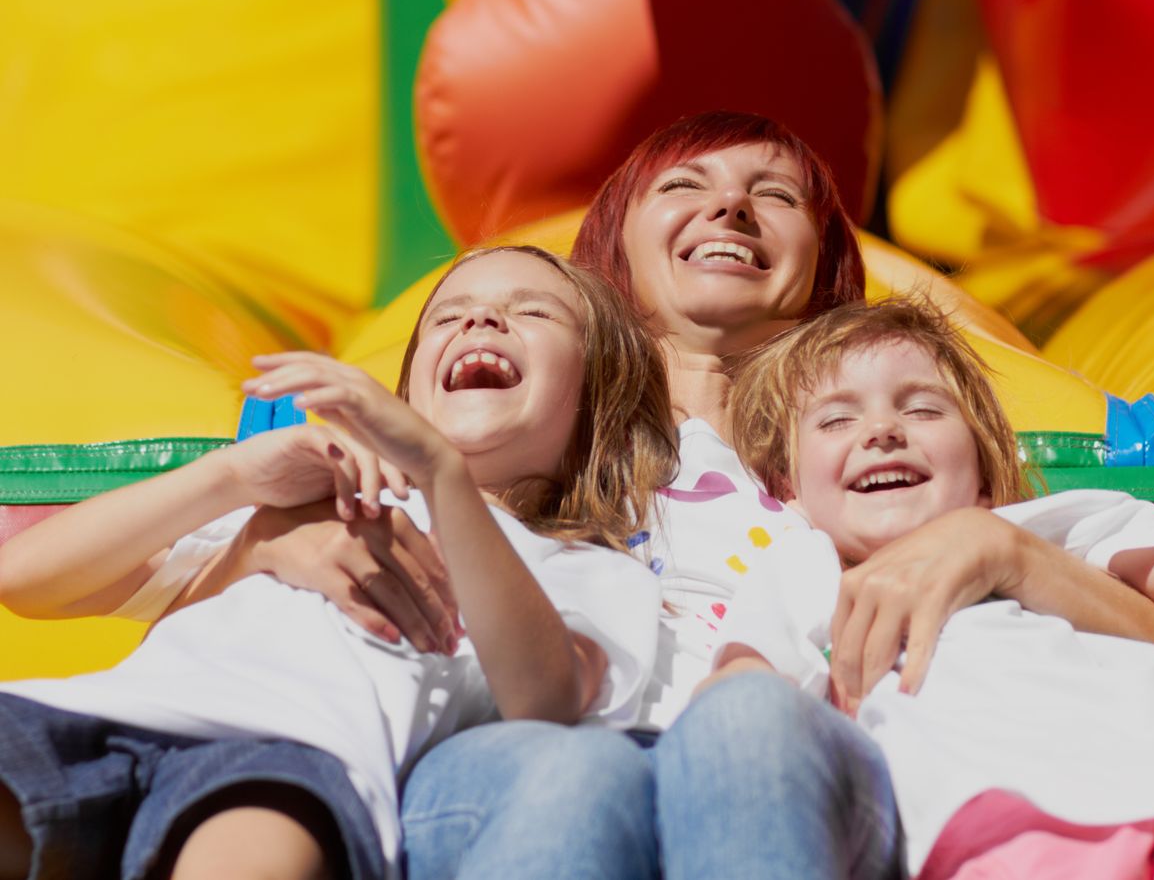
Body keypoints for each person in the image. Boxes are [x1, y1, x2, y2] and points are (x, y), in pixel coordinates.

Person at [11, 113, 1154, 878]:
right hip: (505, 768)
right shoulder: (508, 444)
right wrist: (265, 545)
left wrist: (1003, 551)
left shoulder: (879, 453)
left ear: (827, 260)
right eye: (687, 186)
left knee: (743, 731)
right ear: (606, 265)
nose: (729, 207)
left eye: (773, 195)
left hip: (804, 773)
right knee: (568, 777)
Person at [0, 246, 675, 880]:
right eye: (448, 313)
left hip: (287, 762)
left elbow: (546, 696)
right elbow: (26, 577)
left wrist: (444, 476)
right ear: (409, 391)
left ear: (597, 396)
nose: (481, 317)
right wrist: (233, 478)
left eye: (534, 312)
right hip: (104, 713)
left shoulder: (584, 565)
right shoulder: (308, 496)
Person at [714, 294, 1154, 879]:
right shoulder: (802, 572)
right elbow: (737, 707)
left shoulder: (1057, 523)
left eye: (923, 410)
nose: (883, 430)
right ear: (789, 491)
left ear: (982, 469)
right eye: (836, 420)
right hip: (1003, 820)